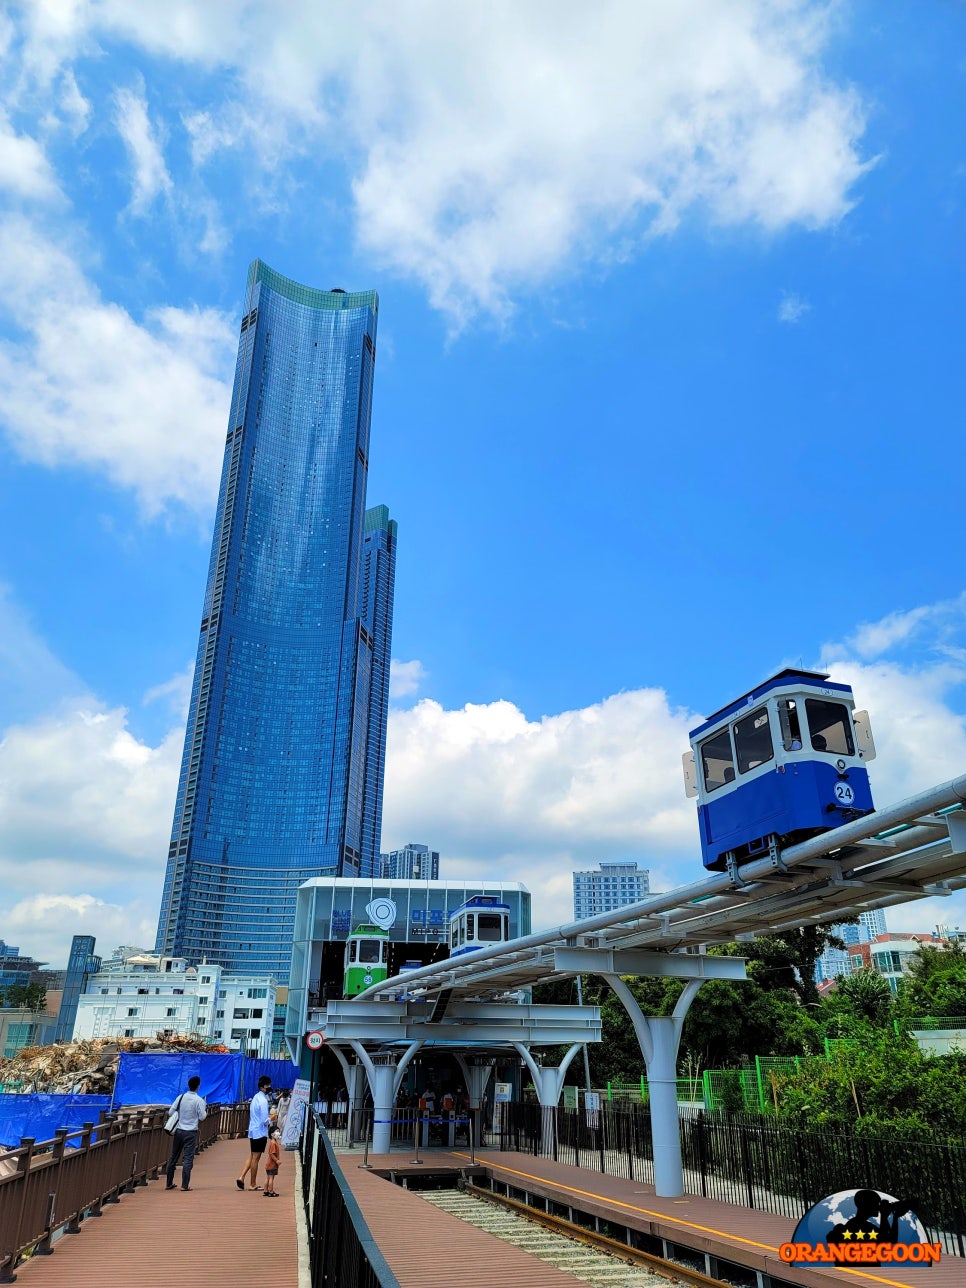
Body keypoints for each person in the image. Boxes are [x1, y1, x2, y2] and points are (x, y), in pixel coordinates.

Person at [165, 1074, 207, 1192]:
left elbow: (170, 1112)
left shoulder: (181, 1097)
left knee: (174, 1156)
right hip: (191, 1132)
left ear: (189, 1086)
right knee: (188, 1158)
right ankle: (184, 1185)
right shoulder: (199, 1100)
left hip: (179, 1131)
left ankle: (169, 1183)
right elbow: (202, 1117)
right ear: (198, 1086)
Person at [237, 1075, 272, 1191]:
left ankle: (242, 1177)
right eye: (268, 1085)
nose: (269, 1087)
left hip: (253, 1130)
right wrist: (271, 1119)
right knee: (256, 1158)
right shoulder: (263, 1101)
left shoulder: (256, 1097)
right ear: (263, 1087)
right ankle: (253, 1184)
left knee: (252, 1155)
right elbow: (264, 1120)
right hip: (260, 1132)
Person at [264, 1129, 282, 1196]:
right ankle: (271, 1191)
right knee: (271, 1178)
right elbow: (271, 1154)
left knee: (268, 1177)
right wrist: (277, 1160)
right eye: (277, 1131)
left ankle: (266, 1190)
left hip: (269, 1164)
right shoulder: (273, 1143)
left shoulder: (273, 1142)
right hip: (272, 1164)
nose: (278, 1133)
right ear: (272, 1134)